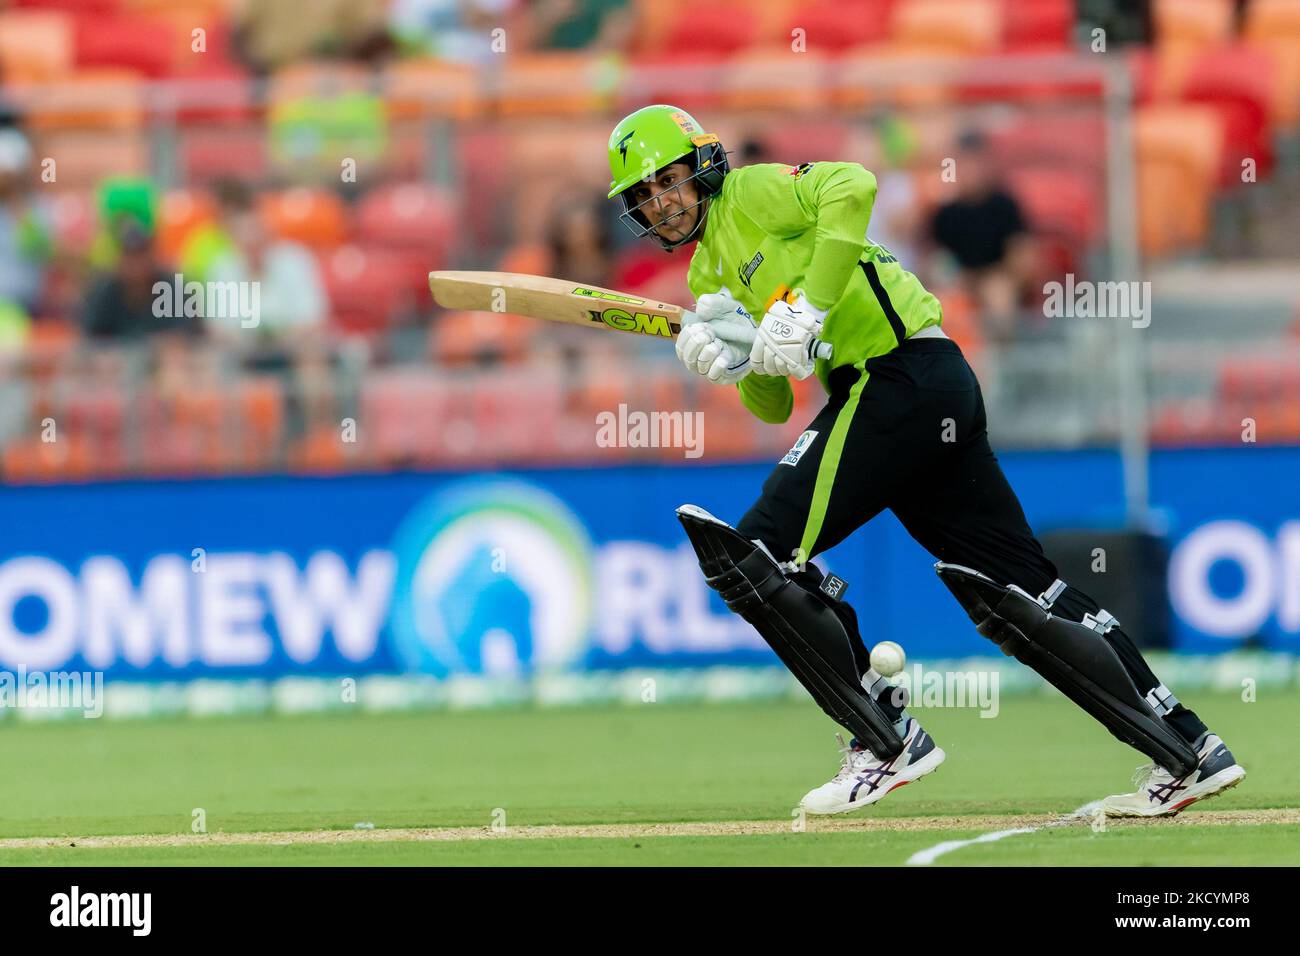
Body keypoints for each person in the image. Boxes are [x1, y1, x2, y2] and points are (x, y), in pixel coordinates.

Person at [605, 104, 1245, 818]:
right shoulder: (706, 274)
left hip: (897, 376)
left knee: (751, 554)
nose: (662, 202)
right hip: (922, 389)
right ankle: (1187, 750)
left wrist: (808, 308)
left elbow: (853, 186)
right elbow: (773, 405)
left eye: (669, 180)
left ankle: (885, 741)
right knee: (1016, 594)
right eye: (644, 195)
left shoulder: (750, 193)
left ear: (703, 165)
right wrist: (731, 363)